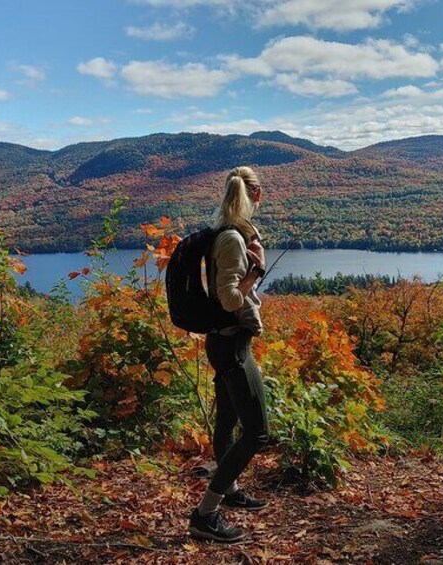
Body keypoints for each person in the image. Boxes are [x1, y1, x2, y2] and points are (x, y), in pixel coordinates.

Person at [188, 166, 270, 543]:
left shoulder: (225, 233)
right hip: (232, 345)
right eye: (261, 193)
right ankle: (206, 513)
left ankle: (231, 489)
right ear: (253, 196)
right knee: (256, 432)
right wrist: (256, 271)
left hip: (223, 342)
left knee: (226, 424)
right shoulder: (233, 240)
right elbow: (230, 297)